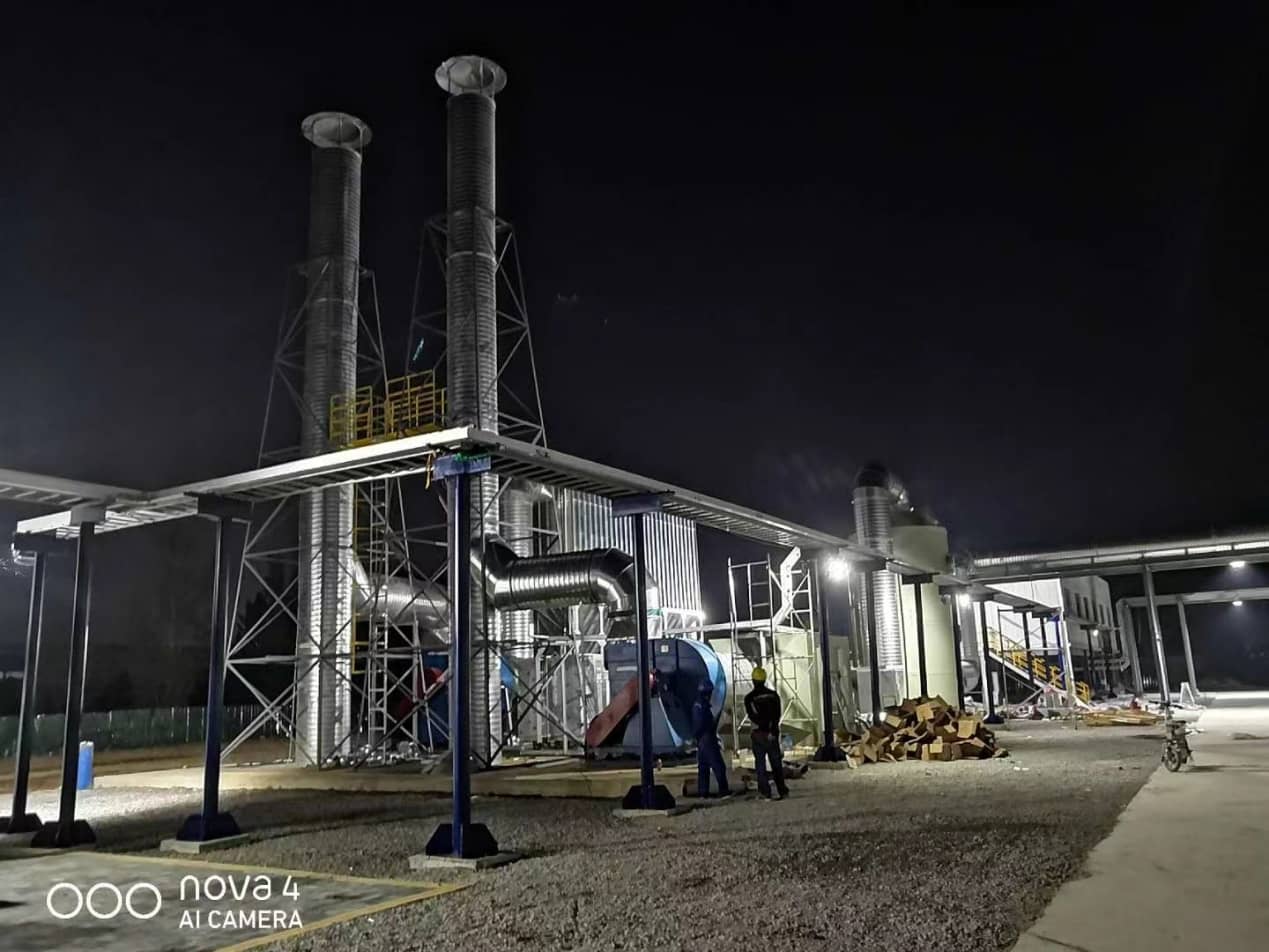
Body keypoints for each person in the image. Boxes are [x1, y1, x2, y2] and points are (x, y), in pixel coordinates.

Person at [744, 667, 789, 800]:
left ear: (753, 680)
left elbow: (753, 716)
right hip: (772, 734)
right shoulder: (774, 695)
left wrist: (763, 728)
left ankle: (765, 792)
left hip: (759, 734)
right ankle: (782, 790)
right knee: (776, 763)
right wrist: (772, 730)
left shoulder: (749, 698)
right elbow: (777, 715)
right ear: (764, 680)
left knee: (760, 764)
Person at [691, 680, 730, 798]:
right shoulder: (703, 706)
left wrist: (696, 738)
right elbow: (704, 724)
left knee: (703, 767)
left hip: (701, 740)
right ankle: (723, 791)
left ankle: (703, 793)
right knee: (718, 765)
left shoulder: (697, 705)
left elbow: (697, 725)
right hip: (708, 738)